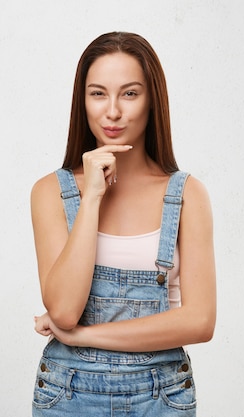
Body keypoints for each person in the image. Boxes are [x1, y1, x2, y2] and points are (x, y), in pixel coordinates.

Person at [30, 31, 216, 416]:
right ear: (82, 101)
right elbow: (63, 310)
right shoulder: (51, 192)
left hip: (160, 397)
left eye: (129, 93)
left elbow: (200, 321)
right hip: (68, 395)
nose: (112, 111)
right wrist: (93, 196)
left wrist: (84, 336)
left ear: (153, 101)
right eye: (98, 93)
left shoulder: (186, 195)